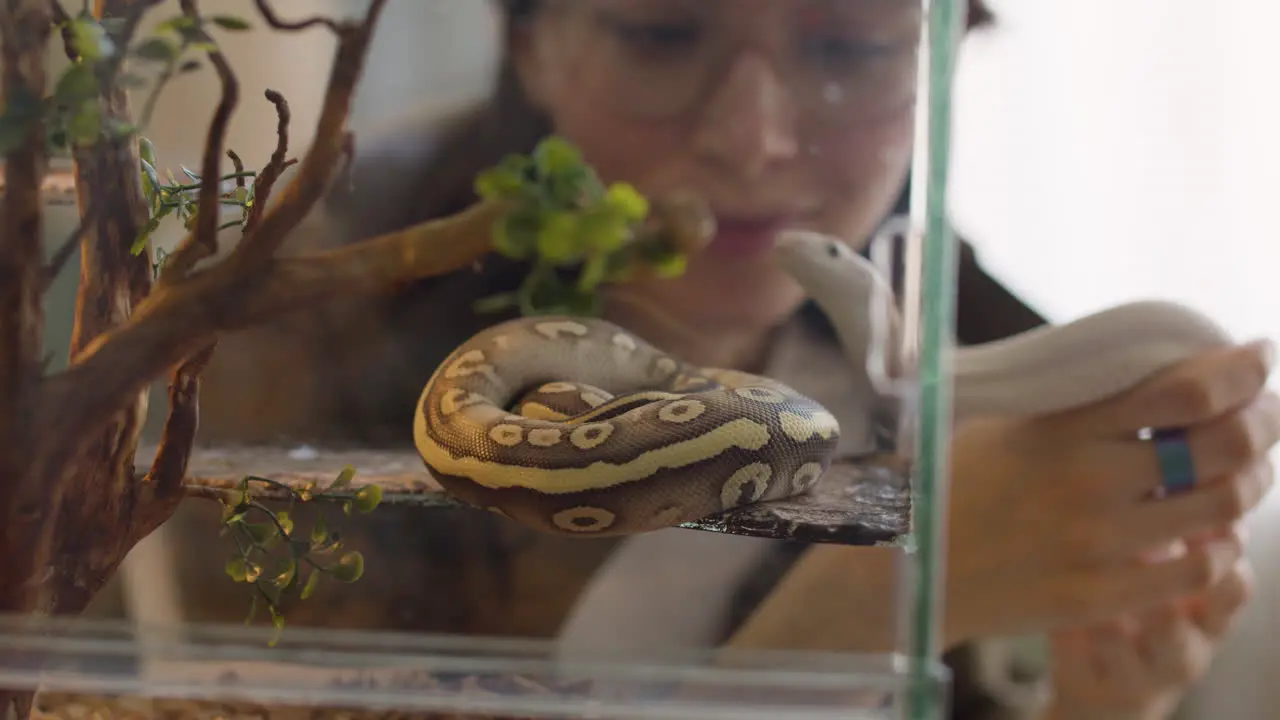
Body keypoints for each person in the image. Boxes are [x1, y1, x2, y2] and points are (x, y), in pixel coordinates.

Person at [187, 1, 1279, 718]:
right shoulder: (305, 316)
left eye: (848, 48)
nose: (754, 139)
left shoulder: (972, 330)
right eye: (662, 34)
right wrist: (883, 592)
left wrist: (1098, 704)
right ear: (527, 43)